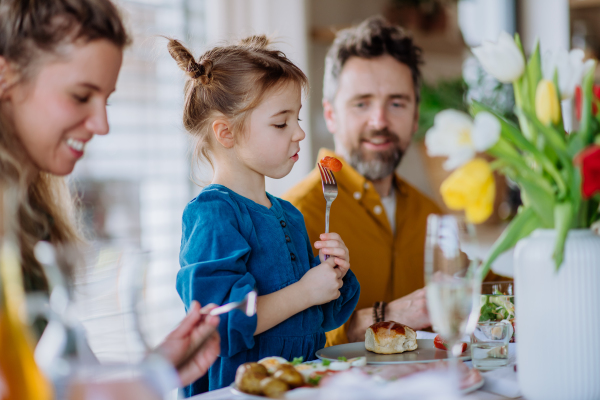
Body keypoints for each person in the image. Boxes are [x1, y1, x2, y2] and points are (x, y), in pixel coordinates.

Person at [0, 0, 219, 391]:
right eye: (81, 97)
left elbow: (56, 380)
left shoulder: (32, 216)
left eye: (107, 100)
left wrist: (153, 372)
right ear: (6, 78)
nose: (102, 124)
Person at [283, 16, 505, 347]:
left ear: (416, 117)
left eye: (397, 103)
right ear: (330, 114)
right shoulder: (292, 217)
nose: (380, 121)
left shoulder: (429, 213)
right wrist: (383, 316)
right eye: (362, 103)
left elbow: (492, 292)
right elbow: (282, 341)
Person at [169, 36, 361, 395]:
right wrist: (305, 291)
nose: (300, 133)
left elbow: (321, 317)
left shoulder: (289, 213)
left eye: (298, 119)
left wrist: (332, 274)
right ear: (225, 132)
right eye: (280, 123)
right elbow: (218, 323)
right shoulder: (214, 215)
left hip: (300, 384)